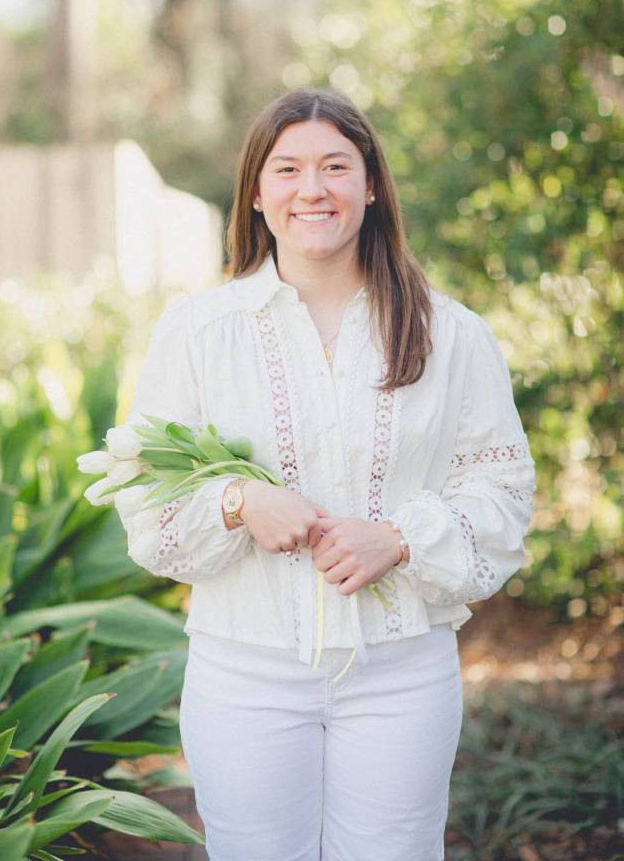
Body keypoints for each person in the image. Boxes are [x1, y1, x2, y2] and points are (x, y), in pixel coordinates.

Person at [118, 86, 536, 861]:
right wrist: (237, 500)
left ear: (370, 185)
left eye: (335, 166)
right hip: (243, 671)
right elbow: (146, 498)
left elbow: (502, 492)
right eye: (287, 169)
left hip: (402, 671)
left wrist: (399, 539)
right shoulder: (196, 334)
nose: (312, 188)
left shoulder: (451, 334)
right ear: (255, 193)